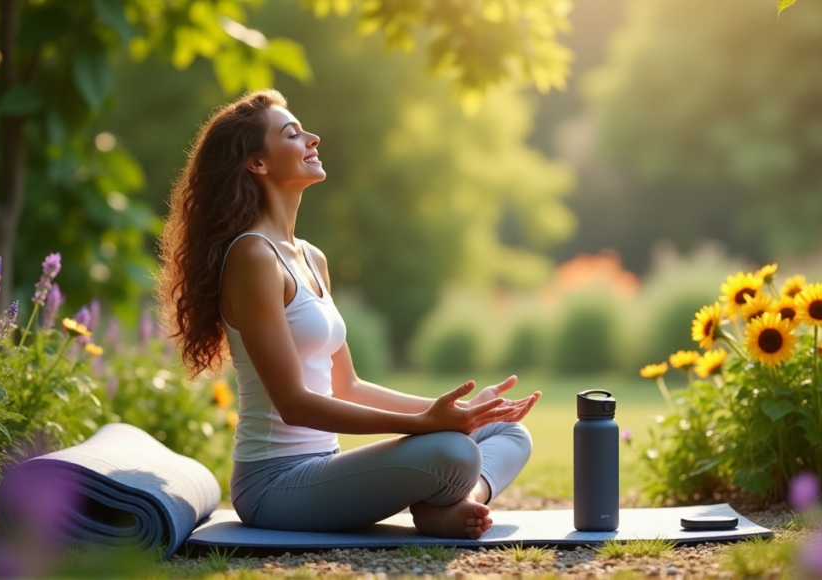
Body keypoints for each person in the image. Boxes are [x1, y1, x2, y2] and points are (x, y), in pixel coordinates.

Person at [155, 89, 540, 539]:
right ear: (257, 164)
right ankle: (445, 499)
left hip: (325, 468)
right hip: (274, 486)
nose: (314, 138)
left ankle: (459, 503)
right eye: (294, 134)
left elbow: (348, 385)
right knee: (453, 453)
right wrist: (423, 424)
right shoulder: (252, 257)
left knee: (506, 435)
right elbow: (294, 405)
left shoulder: (311, 258)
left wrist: (467, 412)